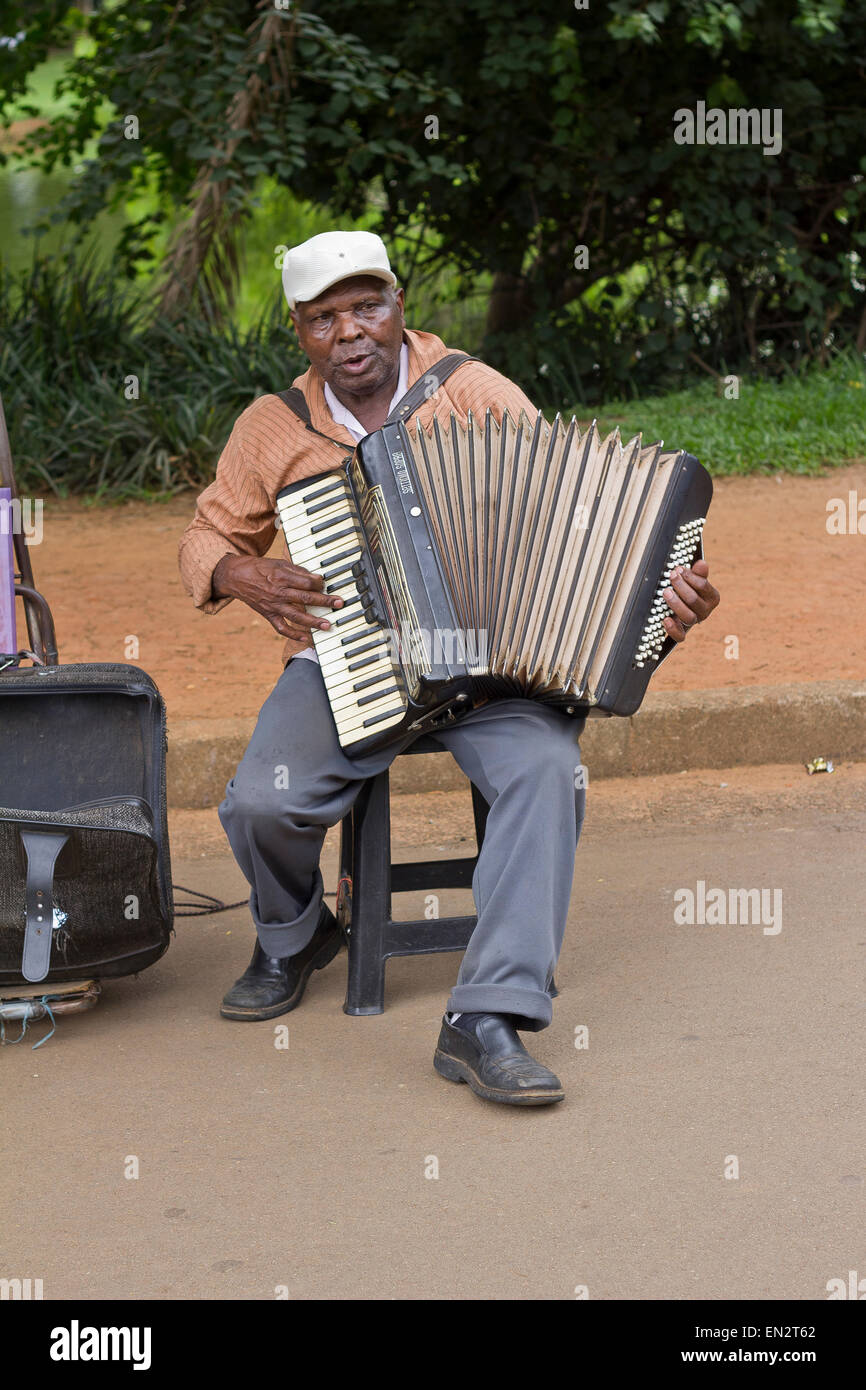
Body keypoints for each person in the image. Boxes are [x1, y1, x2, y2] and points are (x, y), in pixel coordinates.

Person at [178, 230, 720, 1107]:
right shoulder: (272, 426)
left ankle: (488, 1016)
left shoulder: (471, 391)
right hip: (348, 657)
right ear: (299, 332)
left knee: (550, 771)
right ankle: (293, 933)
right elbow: (206, 534)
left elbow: (573, 526)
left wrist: (662, 604)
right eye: (325, 319)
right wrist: (236, 571)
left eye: (367, 306)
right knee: (260, 802)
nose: (350, 332)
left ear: (399, 307)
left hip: (493, 667)